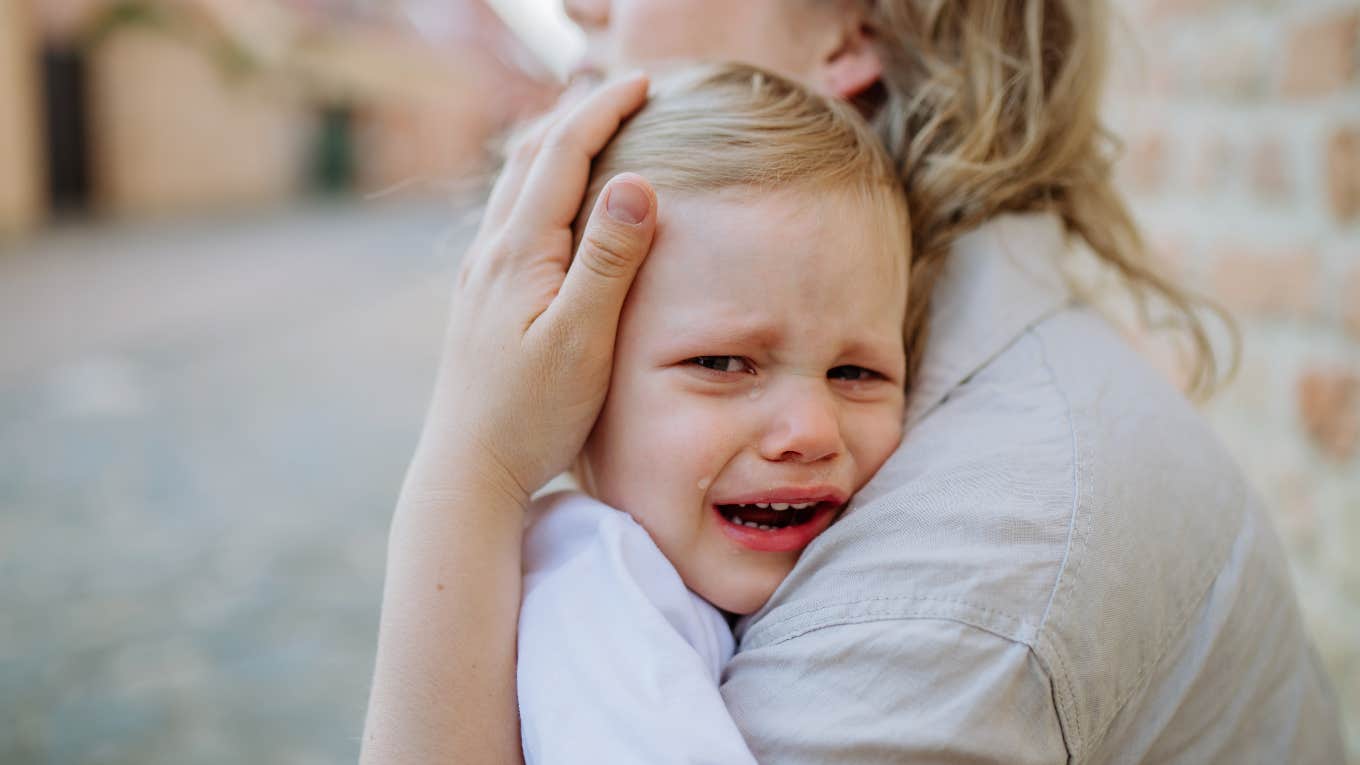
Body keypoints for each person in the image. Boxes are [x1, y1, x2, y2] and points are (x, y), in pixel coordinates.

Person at [361, 1, 1345, 763]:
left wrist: (473, 467)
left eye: (857, 371)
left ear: (850, 32)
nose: (580, 8)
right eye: (718, 363)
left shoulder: (941, 588)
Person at [516, 63, 909, 763]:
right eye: (724, 364)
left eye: (856, 372)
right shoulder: (598, 596)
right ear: (580, 387)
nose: (811, 431)